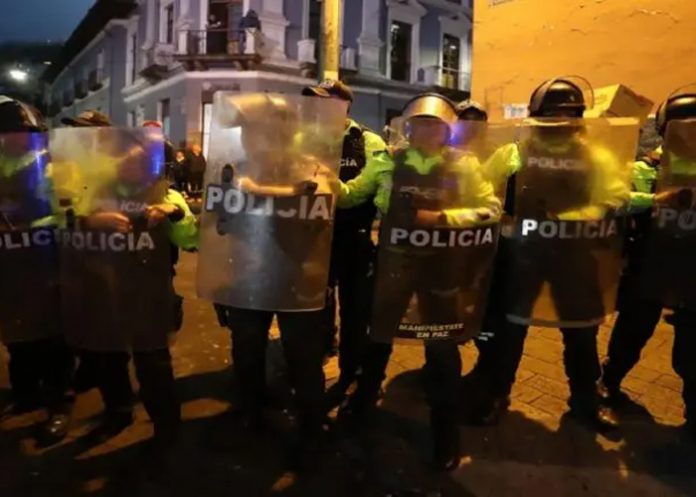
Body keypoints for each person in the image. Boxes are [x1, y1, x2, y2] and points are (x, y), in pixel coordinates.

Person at [336, 93, 501, 471]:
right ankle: (362, 404)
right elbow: (355, 196)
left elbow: (490, 210)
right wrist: (322, 183)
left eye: (435, 125)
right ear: (408, 129)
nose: (427, 132)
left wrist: (443, 218)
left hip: (442, 270)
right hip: (395, 265)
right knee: (378, 337)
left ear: (446, 131)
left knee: (441, 350)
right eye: (419, 125)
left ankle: (446, 436)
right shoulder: (389, 163)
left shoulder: (465, 166)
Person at [461, 79, 630, 432]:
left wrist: (581, 215)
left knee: (581, 331)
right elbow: (481, 190)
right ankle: (496, 394)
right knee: (511, 329)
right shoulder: (514, 153)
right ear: (538, 116)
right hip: (523, 253)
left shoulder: (593, 156)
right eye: (554, 115)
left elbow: (616, 196)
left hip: (574, 253)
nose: (561, 122)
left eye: (569, 116)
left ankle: (586, 401)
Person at [200, 93, 342, 467]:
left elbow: (321, 202)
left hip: (299, 280)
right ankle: (250, 412)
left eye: (258, 130)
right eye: (246, 131)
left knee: (304, 359)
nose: (251, 139)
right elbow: (218, 220)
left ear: (282, 133)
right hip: (248, 276)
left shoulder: (312, 168)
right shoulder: (236, 168)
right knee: (246, 350)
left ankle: (311, 428)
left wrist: (258, 192)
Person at [56, 110, 197, 449]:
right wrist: (89, 222)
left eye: (135, 161)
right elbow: (60, 220)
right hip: (102, 290)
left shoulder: (164, 195)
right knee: (108, 359)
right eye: (122, 160)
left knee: (154, 365)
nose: (126, 165)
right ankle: (118, 412)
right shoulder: (90, 190)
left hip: (147, 296)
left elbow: (192, 240)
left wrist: (172, 213)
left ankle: (167, 426)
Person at [600, 90, 696, 441]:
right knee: (632, 333)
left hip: (691, 269)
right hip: (649, 263)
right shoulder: (647, 168)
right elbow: (616, 199)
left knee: (691, 348)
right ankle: (609, 384)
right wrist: (656, 199)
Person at [301, 80, 389, 406]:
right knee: (316, 307)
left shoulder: (367, 141)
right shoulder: (304, 139)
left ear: (345, 106)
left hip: (355, 239)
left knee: (356, 313)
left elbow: (375, 186)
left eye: (325, 102)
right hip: (313, 240)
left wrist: (334, 188)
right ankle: (319, 362)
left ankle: (353, 376)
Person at [0, 96, 74, 445]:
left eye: (26, 132)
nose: (17, 138)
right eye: (12, 132)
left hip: (46, 257)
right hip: (9, 263)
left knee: (52, 336)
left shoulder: (52, 167)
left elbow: (73, 206)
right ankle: (25, 394)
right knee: (16, 333)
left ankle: (60, 403)